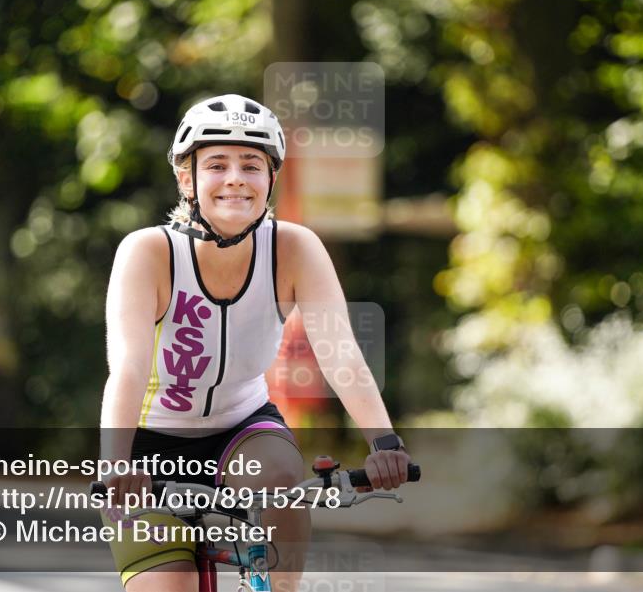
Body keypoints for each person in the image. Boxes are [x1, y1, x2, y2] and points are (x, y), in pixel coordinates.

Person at [101, 94, 411, 592]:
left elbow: (340, 354)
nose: (235, 179)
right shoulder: (148, 252)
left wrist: (384, 442)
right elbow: (129, 369)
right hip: (149, 442)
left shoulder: (294, 248)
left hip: (244, 427)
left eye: (252, 165)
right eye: (217, 165)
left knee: (282, 488)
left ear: (270, 179)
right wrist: (116, 467)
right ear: (188, 179)